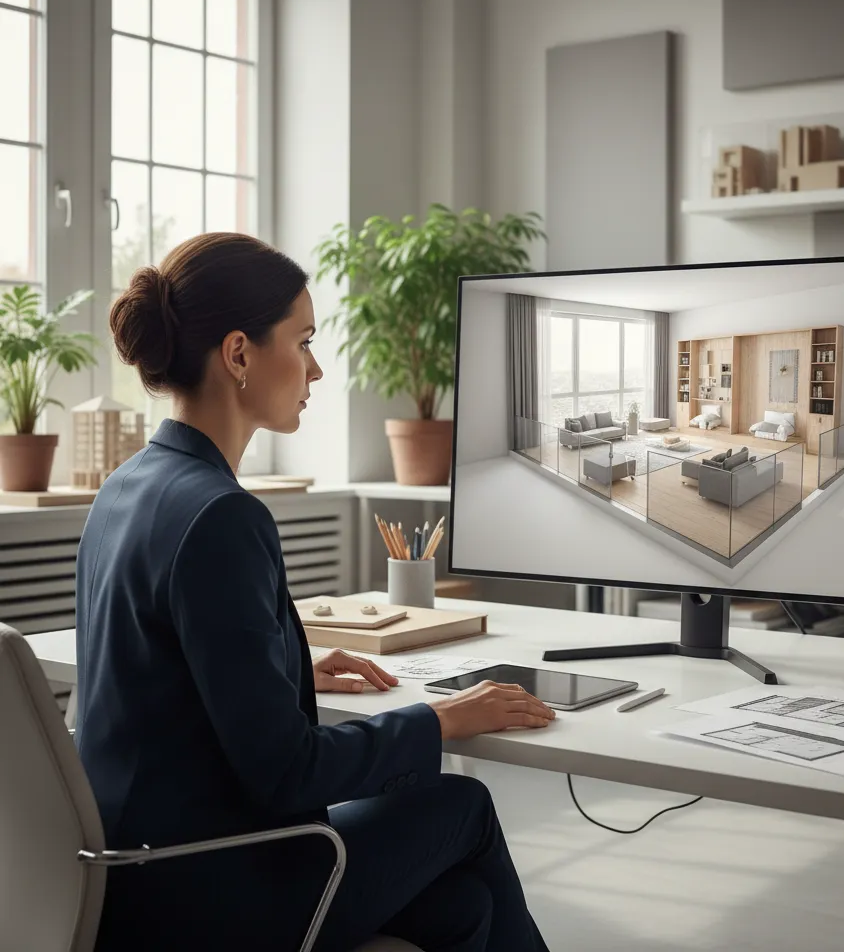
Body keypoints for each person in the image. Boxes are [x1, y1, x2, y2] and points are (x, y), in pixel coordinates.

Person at [75, 232, 553, 951]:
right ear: (239, 354)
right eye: (303, 341)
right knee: (464, 804)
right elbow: (287, 775)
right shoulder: (221, 514)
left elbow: (164, 671)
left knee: (462, 905)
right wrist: (441, 719)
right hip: (207, 891)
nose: (317, 368)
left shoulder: (127, 486)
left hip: (131, 873)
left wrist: (287, 666)